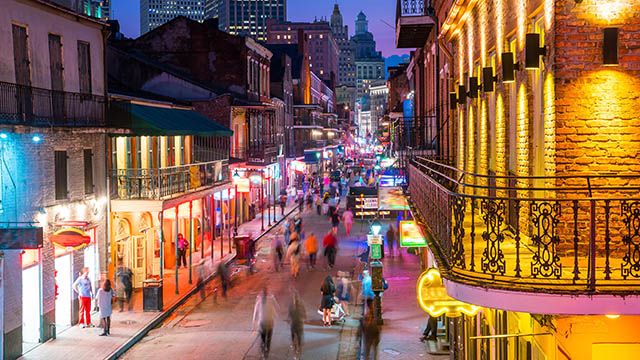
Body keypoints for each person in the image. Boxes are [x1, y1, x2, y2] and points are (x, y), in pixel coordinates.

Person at [253, 287, 279, 359]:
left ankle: (263, 351)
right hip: (270, 322)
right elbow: (276, 308)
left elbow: (255, 314)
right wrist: (276, 317)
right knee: (269, 339)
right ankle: (267, 352)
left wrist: (254, 326)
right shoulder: (270, 299)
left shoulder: (259, 301)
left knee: (263, 338)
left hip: (262, 323)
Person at [288, 291, 307, 359]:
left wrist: (289, 319)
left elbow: (289, 314)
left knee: (293, 335)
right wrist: (304, 318)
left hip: (294, 323)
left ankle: (295, 348)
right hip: (299, 323)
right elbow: (304, 313)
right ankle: (298, 349)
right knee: (299, 337)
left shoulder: (291, 305)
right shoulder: (301, 304)